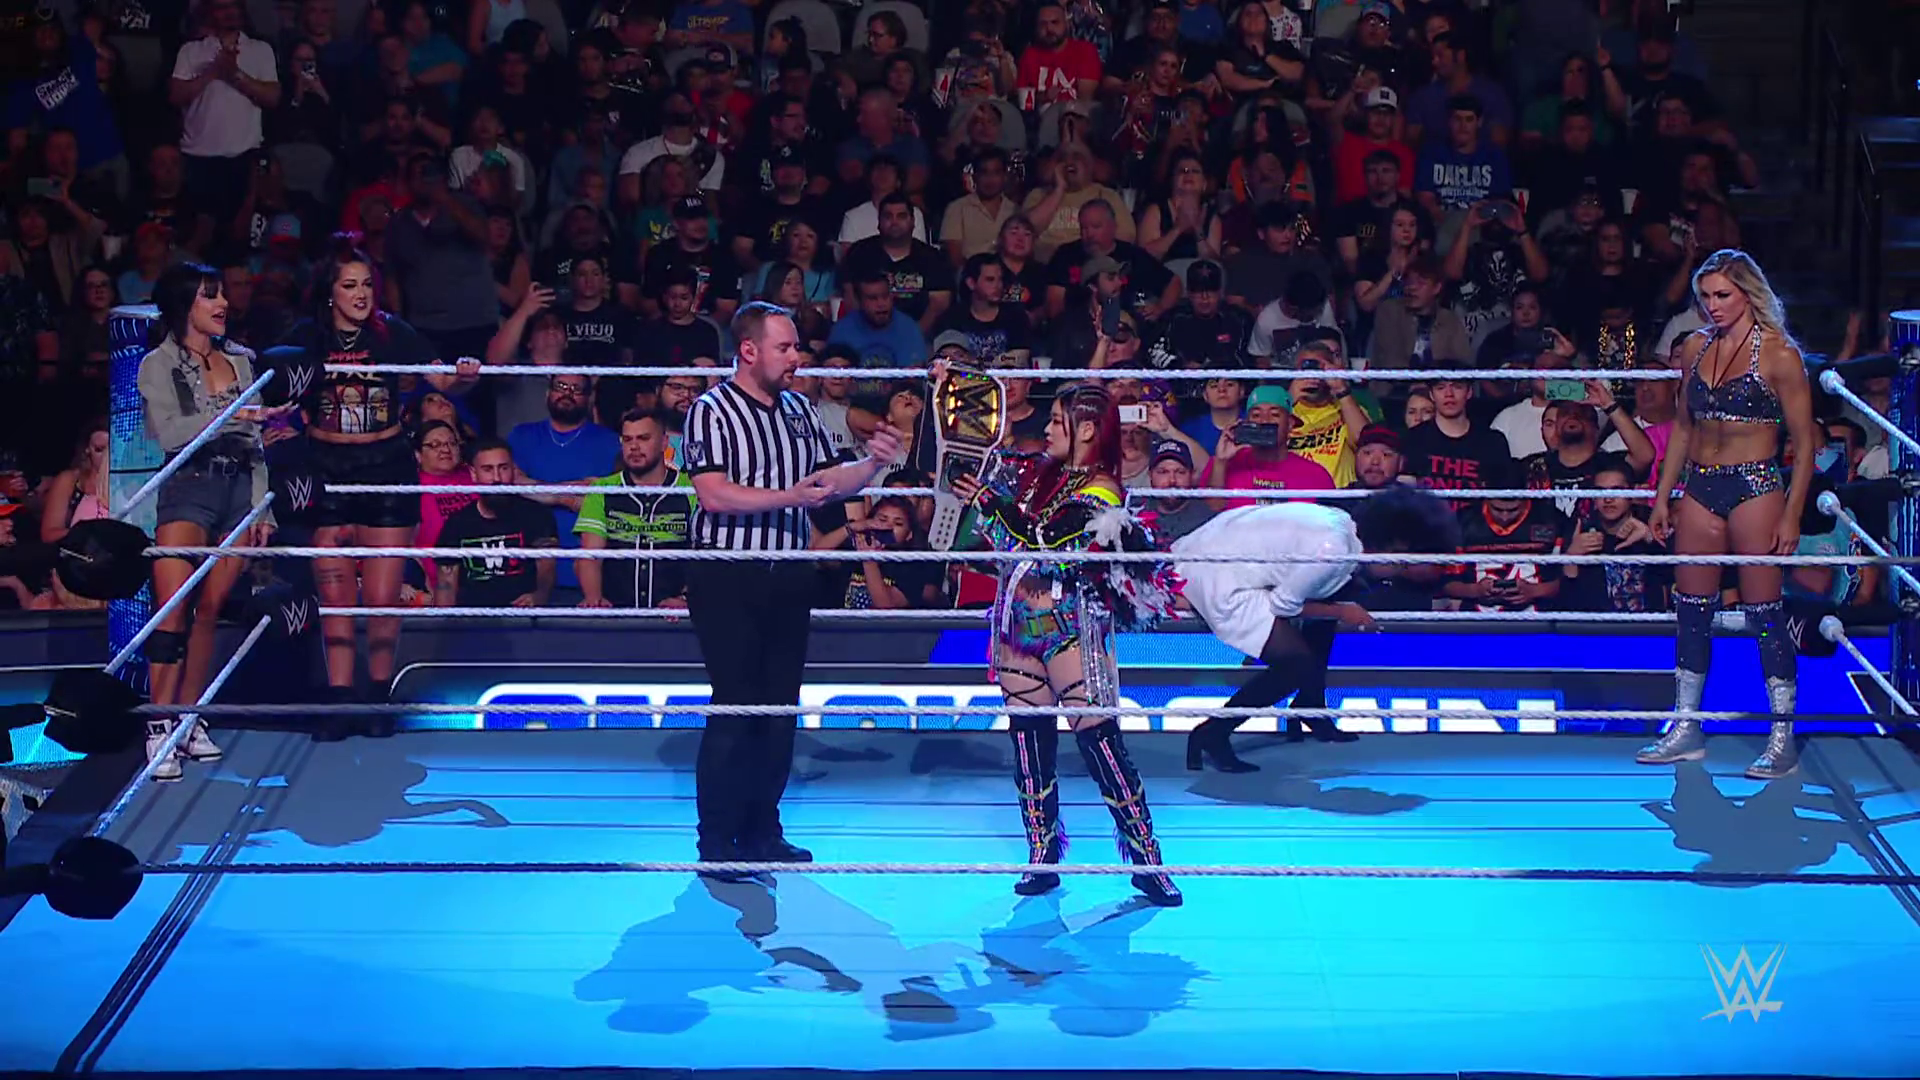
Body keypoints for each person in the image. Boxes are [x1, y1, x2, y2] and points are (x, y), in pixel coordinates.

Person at [681, 301, 904, 882]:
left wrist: (873, 464)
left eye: (797, 347)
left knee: (780, 708)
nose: (796, 358)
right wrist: (790, 498)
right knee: (736, 703)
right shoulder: (711, 410)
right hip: (728, 573)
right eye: (784, 348)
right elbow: (714, 494)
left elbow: (830, 481)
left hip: (789, 574)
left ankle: (763, 830)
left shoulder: (801, 410)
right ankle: (716, 840)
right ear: (749, 350)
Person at [944, 369, 1184, 906]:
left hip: (1070, 626)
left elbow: (1045, 538)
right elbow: (981, 457)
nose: (1048, 429)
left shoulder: (1101, 489)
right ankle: (1042, 852)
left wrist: (989, 501)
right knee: (1028, 742)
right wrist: (954, 390)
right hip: (1017, 622)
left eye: (1058, 421)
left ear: (1087, 430)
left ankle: (1147, 860)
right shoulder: (1038, 474)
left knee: (1101, 743)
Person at [280, 237, 477, 739]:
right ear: (330, 291)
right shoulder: (307, 336)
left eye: (367, 284)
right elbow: (278, 389)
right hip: (327, 468)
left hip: (386, 466)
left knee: (383, 597)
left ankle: (379, 694)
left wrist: (464, 375)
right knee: (336, 595)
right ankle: (339, 699)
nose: (361, 294)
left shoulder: (393, 332)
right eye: (350, 285)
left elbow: (442, 381)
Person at [1641, 249, 1819, 779]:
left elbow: (1805, 445)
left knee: (1764, 614)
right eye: (1706, 297)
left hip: (1756, 486)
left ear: (1748, 293)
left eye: (1723, 295)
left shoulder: (1780, 355)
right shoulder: (1695, 348)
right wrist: (1662, 496)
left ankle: (1781, 736)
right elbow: (1683, 428)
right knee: (1692, 609)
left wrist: (1792, 514)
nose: (1713, 305)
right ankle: (1686, 726)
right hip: (1700, 486)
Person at [1176, 488, 1460, 772]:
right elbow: (1282, 605)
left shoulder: (1344, 526)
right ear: (1391, 549)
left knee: (1332, 596)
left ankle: (1310, 704)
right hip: (1218, 574)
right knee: (1295, 664)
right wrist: (1342, 612)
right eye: (1401, 566)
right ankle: (1212, 733)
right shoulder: (1333, 553)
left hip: (1214, 549)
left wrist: (1336, 607)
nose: (1400, 572)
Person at [136, 262, 278, 780]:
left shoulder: (241, 361)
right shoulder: (158, 364)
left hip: (239, 486)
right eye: (209, 296)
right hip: (190, 484)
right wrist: (230, 416)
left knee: (210, 608)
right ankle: (158, 723)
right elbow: (170, 433)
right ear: (184, 305)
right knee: (173, 606)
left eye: (221, 296)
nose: (222, 304)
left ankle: (188, 718)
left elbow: (256, 441)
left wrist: (262, 505)